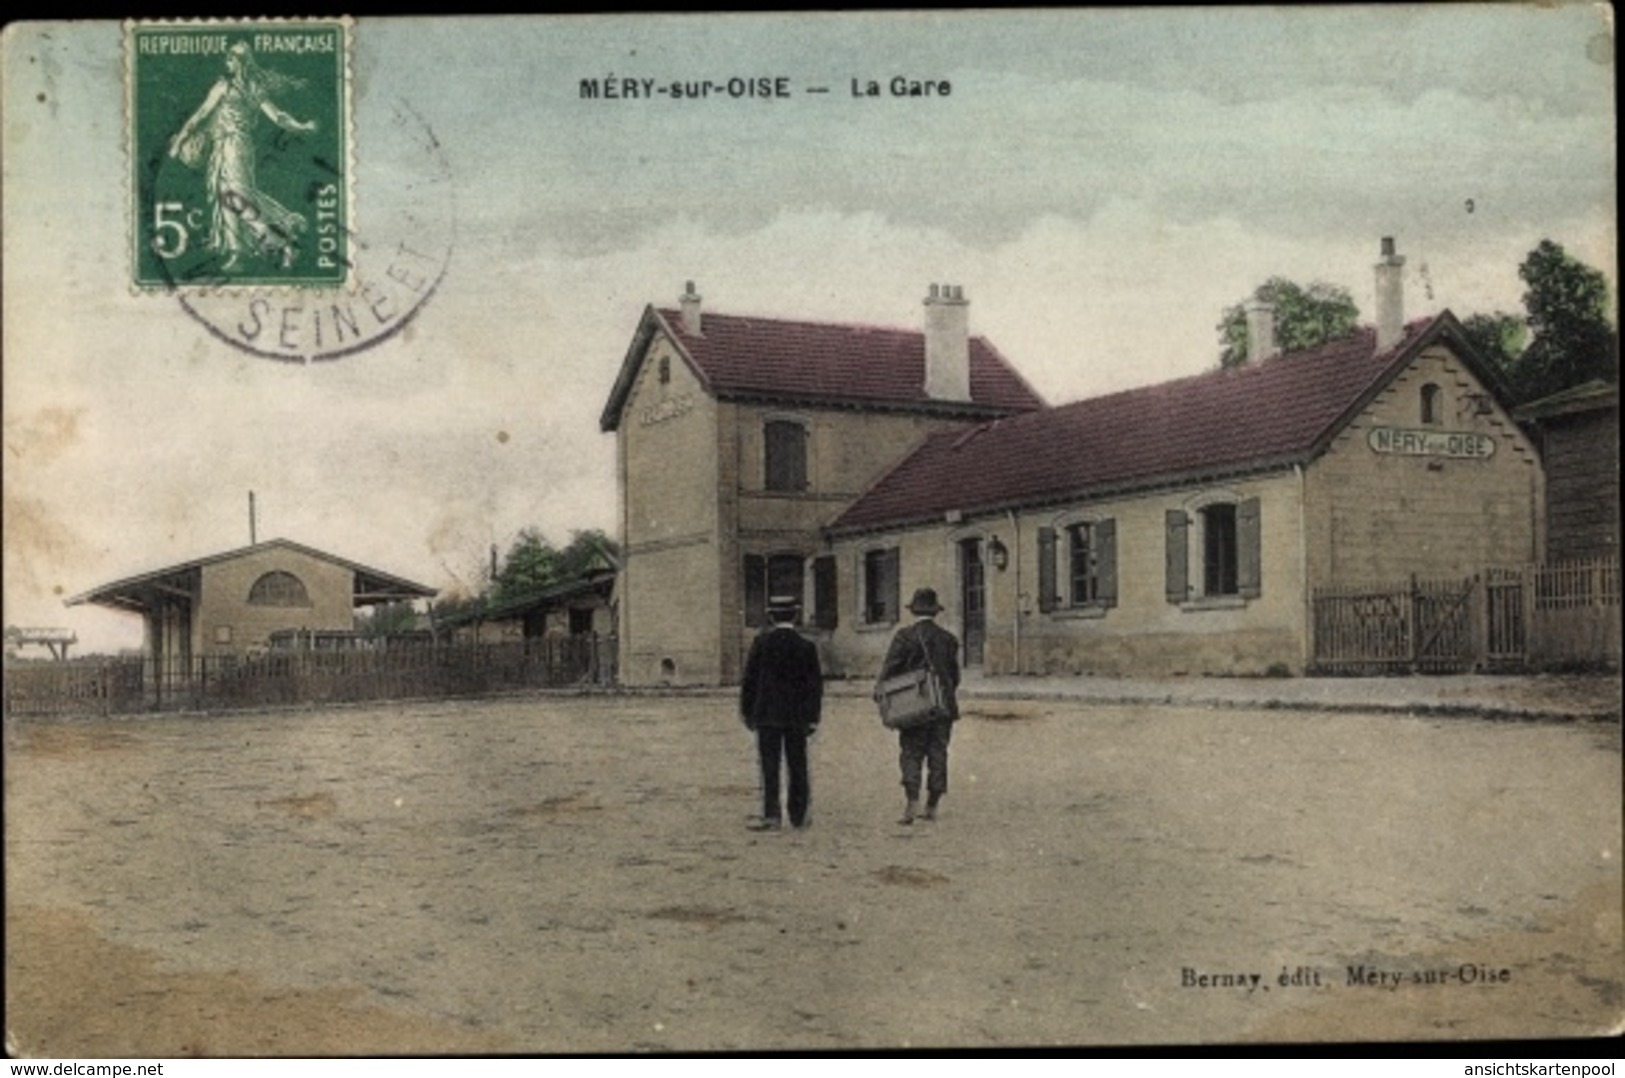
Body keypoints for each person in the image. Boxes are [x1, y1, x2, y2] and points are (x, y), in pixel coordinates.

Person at [168, 42, 317, 271]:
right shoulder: (254, 88)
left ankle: (274, 242)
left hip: (232, 146)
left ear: (239, 62)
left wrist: (178, 144)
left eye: (230, 59)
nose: (227, 63)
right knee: (235, 195)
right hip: (235, 146)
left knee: (235, 197)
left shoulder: (225, 86)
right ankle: (242, 244)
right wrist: (302, 126)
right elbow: (279, 117)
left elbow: (199, 116)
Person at [739, 595, 824, 831]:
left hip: (767, 715)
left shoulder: (761, 644)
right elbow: (814, 686)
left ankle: (771, 816)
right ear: (796, 616)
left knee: (769, 765)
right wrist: (813, 717)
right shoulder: (806, 647)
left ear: (771, 616)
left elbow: (750, 682)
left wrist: (748, 713)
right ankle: (799, 816)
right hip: (797, 717)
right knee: (798, 764)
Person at [877, 587, 961, 825]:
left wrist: (880, 691)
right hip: (943, 705)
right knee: (938, 753)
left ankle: (912, 802)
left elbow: (890, 668)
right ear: (935, 612)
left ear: (914, 611)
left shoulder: (904, 636)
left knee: (911, 752)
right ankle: (932, 805)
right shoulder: (949, 639)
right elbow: (954, 677)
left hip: (914, 705)